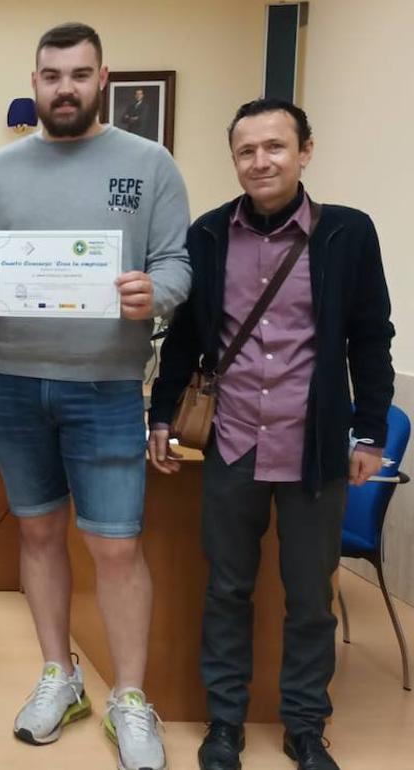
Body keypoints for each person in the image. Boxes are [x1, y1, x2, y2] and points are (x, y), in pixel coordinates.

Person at [0, 22, 190, 770]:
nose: (65, 88)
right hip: (13, 381)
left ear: (102, 78)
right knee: (41, 536)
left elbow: (177, 264)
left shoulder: (150, 166)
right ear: (36, 79)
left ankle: (131, 698)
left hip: (109, 386)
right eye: (52, 75)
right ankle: (60, 675)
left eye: (79, 74)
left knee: (115, 547)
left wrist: (158, 294)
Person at [148, 98, 394, 770]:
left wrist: (370, 431)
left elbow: (371, 337)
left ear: (305, 151)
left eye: (275, 147)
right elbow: (187, 340)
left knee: (311, 598)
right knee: (227, 589)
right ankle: (224, 723)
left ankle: (305, 727)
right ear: (234, 159)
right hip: (233, 442)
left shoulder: (347, 233)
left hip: (312, 447)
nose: (260, 161)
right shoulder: (206, 235)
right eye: (246, 150)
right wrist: (163, 414)